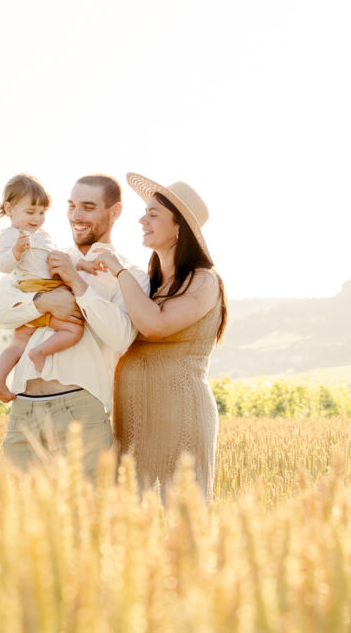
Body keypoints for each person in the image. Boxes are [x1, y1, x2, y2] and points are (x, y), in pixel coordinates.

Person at [0, 174, 150, 477]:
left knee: (87, 505)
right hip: (24, 409)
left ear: (115, 212)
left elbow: (122, 338)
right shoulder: (38, 259)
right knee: (18, 506)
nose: (76, 215)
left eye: (88, 207)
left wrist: (77, 284)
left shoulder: (130, 275)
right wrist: (41, 303)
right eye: (71, 206)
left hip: (80, 412)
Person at [90, 173, 227, 502]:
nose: (142, 220)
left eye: (153, 214)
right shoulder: (148, 283)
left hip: (180, 416)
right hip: (133, 420)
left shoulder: (203, 281)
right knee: (132, 516)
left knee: (179, 513)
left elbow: (154, 325)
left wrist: (119, 271)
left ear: (179, 227)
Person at [0, 174, 102, 402]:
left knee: (19, 342)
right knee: (73, 329)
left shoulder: (43, 236)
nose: (37, 218)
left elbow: (60, 257)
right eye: (30, 212)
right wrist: (15, 252)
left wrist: (82, 264)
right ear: (9, 209)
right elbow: (1, 264)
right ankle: (38, 353)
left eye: (42, 213)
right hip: (37, 290)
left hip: (42, 292)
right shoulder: (11, 235)